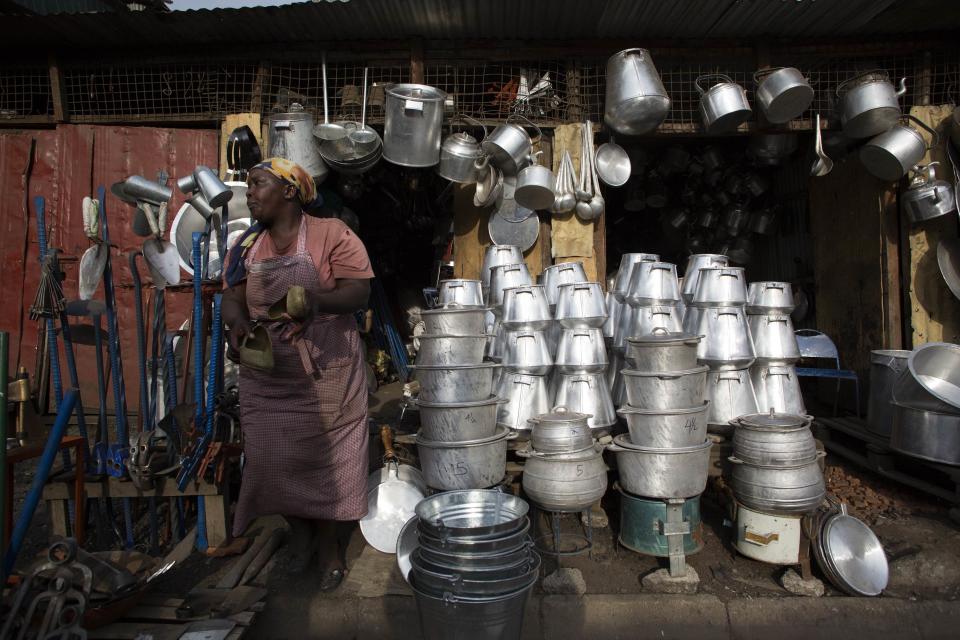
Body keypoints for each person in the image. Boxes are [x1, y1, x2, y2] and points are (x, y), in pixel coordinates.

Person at [222, 157, 373, 591]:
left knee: (329, 462)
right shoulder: (246, 246)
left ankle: (328, 547)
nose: (249, 192)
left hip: (327, 368)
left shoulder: (332, 234)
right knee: (269, 461)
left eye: (258, 183)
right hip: (267, 373)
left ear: (289, 191)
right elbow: (230, 297)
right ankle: (300, 532)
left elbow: (358, 291)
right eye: (249, 184)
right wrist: (235, 323)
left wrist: (316, 301)